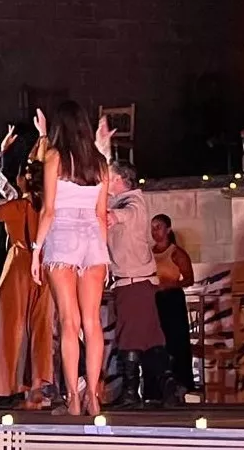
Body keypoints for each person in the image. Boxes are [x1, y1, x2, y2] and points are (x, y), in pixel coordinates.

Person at [30, 102, 114, 417]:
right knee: (93, 323)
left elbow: (48, 210)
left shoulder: (54, 158)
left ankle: (73, 398)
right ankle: (93, 395)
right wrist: (103, 254)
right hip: (93, 239)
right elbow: (101, 215)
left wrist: (37, 250)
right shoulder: (101, 164)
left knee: (69, 322)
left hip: (63, 236)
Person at [0, 124, 55, 409]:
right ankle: (36, 387)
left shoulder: (16, 207)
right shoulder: (46, 205)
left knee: (8, 328)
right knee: (37, 328)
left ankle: (10, 384)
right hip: (44, 266)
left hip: (19, 267)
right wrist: (42, 138)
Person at [106, 162, 180, 408]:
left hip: (134, 281)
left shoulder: (133, 203)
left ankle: (130, 391)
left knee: (129, 337)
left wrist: (109, 217)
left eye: (109, 177)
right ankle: (168, 384)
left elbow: (123, 215)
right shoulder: (119, 200)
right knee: (150, 338)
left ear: (119, 180)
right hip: (136, 281)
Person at [151, 214, 196, 393]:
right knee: (156, 342)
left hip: (172, 299)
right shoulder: (149, 253)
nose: (155, 232)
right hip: (155, 300)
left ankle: (180, 382)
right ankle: (157, 385)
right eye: (153, 228)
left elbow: (189, 279)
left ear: (168, 229)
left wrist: (172, 283)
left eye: (158, 227)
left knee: (176, 341)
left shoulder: (176, 252)